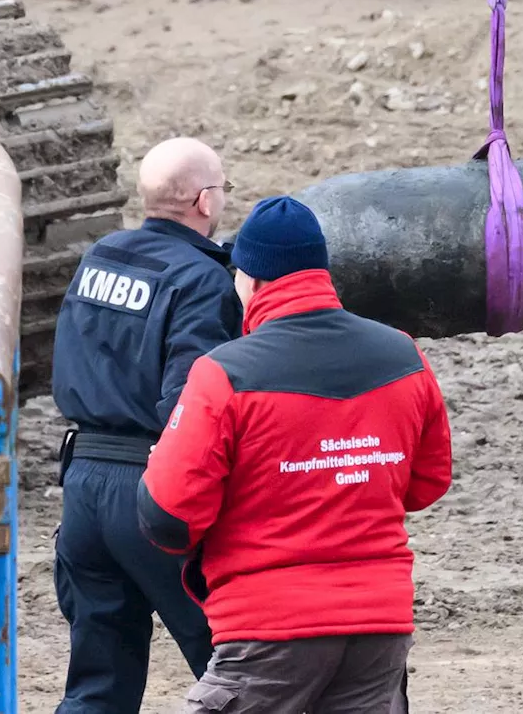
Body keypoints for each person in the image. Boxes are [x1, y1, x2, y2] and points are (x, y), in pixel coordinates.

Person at [135, 195, 453, 714]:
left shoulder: (223, 373)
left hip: (267, 630)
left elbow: (168, 517)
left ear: (253, 280)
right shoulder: (404, 354)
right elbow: (428, 481)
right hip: (379, 626)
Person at [50, 136, 244, 713]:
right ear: (205, 201)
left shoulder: (100, 257)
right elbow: (191, 404)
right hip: (154, 491)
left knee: (97, 681)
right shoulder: (205, 281)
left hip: (82, 486)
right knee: (232, 666)